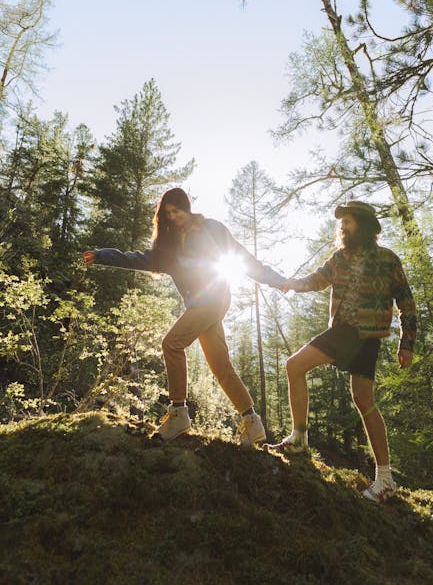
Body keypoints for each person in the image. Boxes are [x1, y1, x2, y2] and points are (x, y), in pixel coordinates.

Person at [83, 187, 286, 444]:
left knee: (172, 343)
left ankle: (178, 412)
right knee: (221, 367)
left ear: (186, 209)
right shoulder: (169, 248)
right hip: (199, 306)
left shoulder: (211, 228)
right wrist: (102, 256)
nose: (173, 217)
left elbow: (243, 259)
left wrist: (277, 280)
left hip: (214, 298)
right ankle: (252, 421)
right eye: (167, 214)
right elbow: (138, 259)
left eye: (176, 211)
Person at [268, 200, 417, 504]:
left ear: (363, 225)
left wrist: (407, 344)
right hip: (342, 333)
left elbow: (407, 303)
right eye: (342, 223)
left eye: (348, 221)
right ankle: (300, 439)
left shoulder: (388, 260)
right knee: (297, 367)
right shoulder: (340, 258)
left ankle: (384, 478)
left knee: (361, 399)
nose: (343, 227)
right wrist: (292, 284)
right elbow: (317, 280)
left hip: (366, 338)